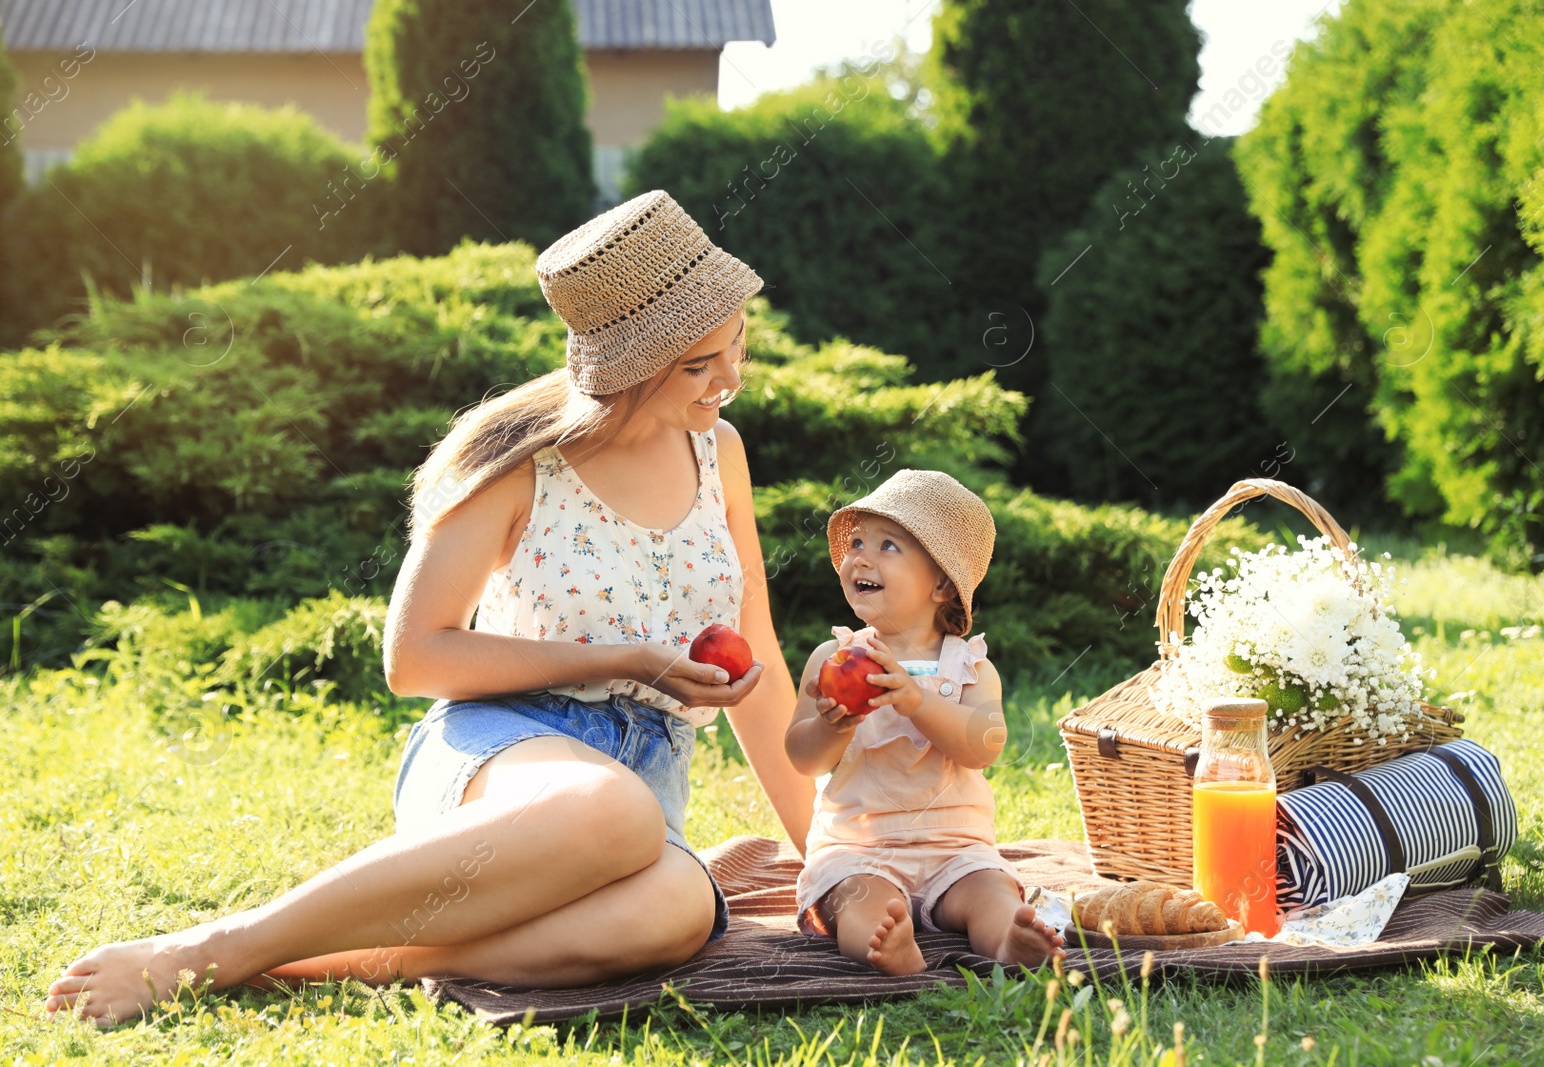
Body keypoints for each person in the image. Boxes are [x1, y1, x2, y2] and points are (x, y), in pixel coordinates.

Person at [43, 191, 815, 1026]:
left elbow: (758, 651)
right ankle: (215, 946)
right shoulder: (522, 465)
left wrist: (834, 859)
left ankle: (304, 965)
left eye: (736, 343)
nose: (731, 380)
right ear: (629, 367)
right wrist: (623, 660)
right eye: (700, 366)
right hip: (505, 753)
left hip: (639, 785)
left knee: (683, 910)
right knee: (613, 811)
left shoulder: (720, 453)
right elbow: (413, 657)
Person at [785, 470, 1064, 975]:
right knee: (859, 901)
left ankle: (1009, 940)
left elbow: (983, 747)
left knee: (989, 891)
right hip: (859, 849)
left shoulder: (969, 667)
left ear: (940, 584)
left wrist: (917, 701)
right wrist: (834, 726)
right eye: (857, 543)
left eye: (887, 545)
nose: (861, 557)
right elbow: (803, 758)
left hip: (956, 850)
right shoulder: (835, 656)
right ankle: (888, 945)